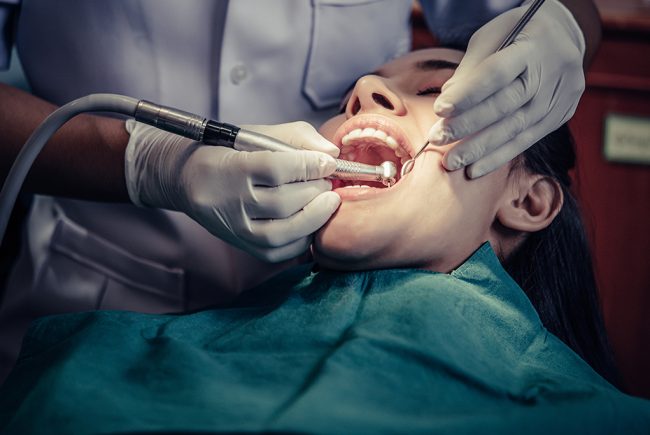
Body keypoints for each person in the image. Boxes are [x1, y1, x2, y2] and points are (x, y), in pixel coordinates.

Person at [1, 47, 649, 433]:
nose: (365, 91)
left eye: (433, 90)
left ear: (526, 199)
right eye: (354, 94)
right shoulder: (96, 352)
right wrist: (154, 163)